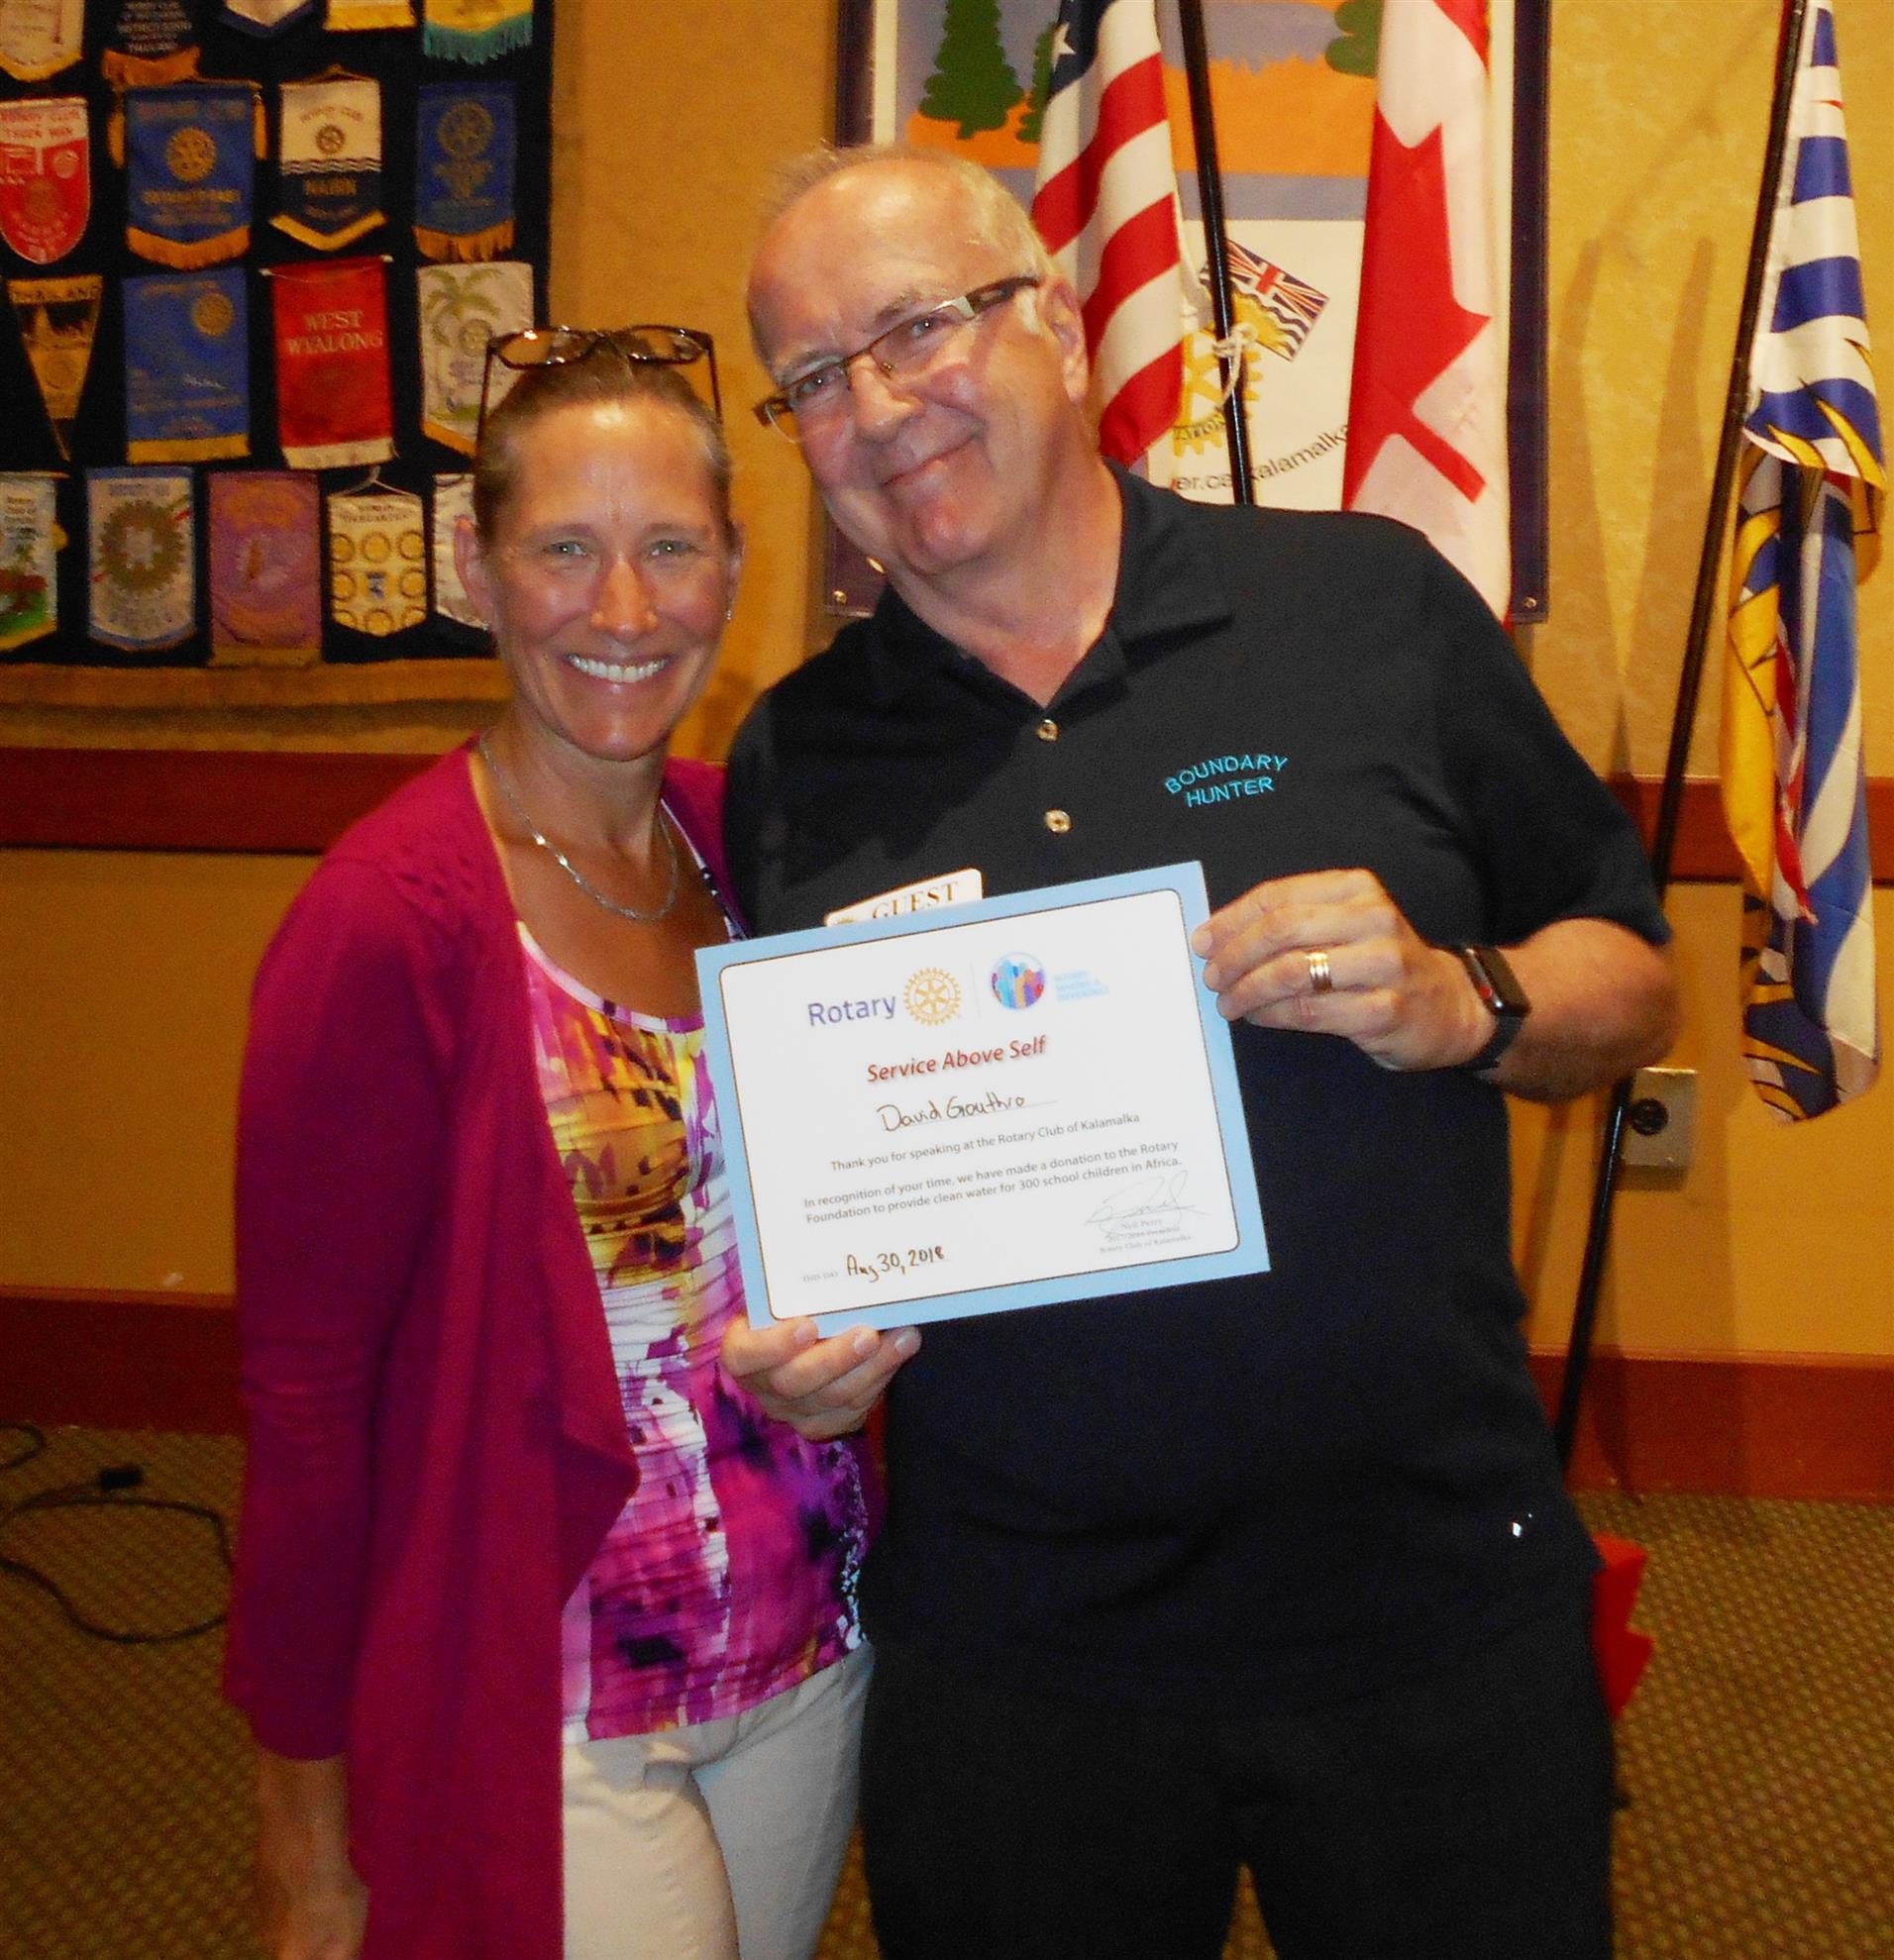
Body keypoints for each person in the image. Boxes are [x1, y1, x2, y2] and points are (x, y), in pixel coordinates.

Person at [720, 146, 1680, 1960]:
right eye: (816, 376)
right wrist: (810, 1361)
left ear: (1063, 329)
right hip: (1021, 1657)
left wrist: (1465, 999)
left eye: (918, 328)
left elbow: (1631, 978)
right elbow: (812, 1190)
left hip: (1427, 1603)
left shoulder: (1369, 607)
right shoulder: (796, 757)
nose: (881, 407)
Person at [224, 331, 874, 1960]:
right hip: (553, 1688)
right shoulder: (387, 922)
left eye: (671, 548)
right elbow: (305, 1412)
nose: (625, 609)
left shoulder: (751, 848)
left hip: (805, 1638)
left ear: (735, 565)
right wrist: (303, 1831)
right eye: (566, 550)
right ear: (479, 569)